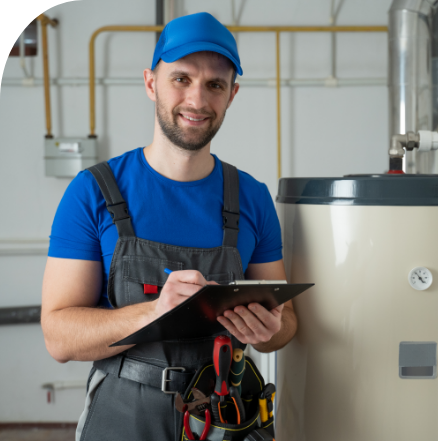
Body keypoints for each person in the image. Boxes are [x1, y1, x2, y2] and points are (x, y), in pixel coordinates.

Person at [41, 12, 297, 441]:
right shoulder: (93, 192)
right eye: (181, 78)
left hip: (225, 412)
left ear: (231, 95)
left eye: (215, 84)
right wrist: (156, 312)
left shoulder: (251, 197)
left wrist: (271, 332)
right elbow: (60, 337)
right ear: (150, 82)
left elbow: (287, 323)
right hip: (124, 414)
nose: (197, 99)